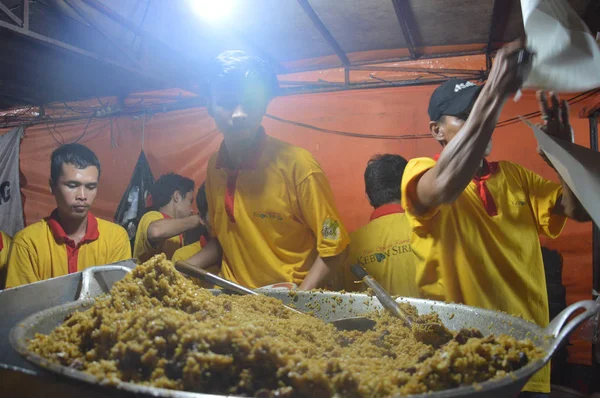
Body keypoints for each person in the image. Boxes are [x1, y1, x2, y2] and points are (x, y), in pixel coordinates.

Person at [400, 40, 589, 397]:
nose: (479, 123)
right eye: (464, 117)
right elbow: (443, 188)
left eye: (480, 113)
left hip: (526, 351)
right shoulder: (422, 172)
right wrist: (493, 93)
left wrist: (563, 156)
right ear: (436, 131)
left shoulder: (516, 177)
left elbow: (577, 210)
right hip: (457, 354)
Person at [186, 50, 349, 290]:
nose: (239, 114)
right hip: (235, 304)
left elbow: (335, 248)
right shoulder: (214, 167)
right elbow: (224, 240)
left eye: (250, 102)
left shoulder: (300, 167)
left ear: (264, 104)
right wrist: (179, 268)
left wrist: (298, 302)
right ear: (209, 106)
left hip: (291, 301)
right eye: (227, 103)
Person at [5, 144, 131, 288]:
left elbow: (120, 300)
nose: (82, 196)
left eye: (90, 187)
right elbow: (23, 307)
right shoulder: (28, 243)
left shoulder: (115, 238)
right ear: (52, 186)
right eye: (72, 185)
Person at [339, 154, 418, 297]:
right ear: (410, 188)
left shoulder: (345, 247)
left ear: (368, 197)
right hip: (434, 318)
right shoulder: (429, 230)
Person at [133, 173, 201, 263]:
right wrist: (195, 220)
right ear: (177, 196)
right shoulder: (152, 216)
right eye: (190, 201)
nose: (192, 210)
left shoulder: (178, 232)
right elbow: (155, 231)